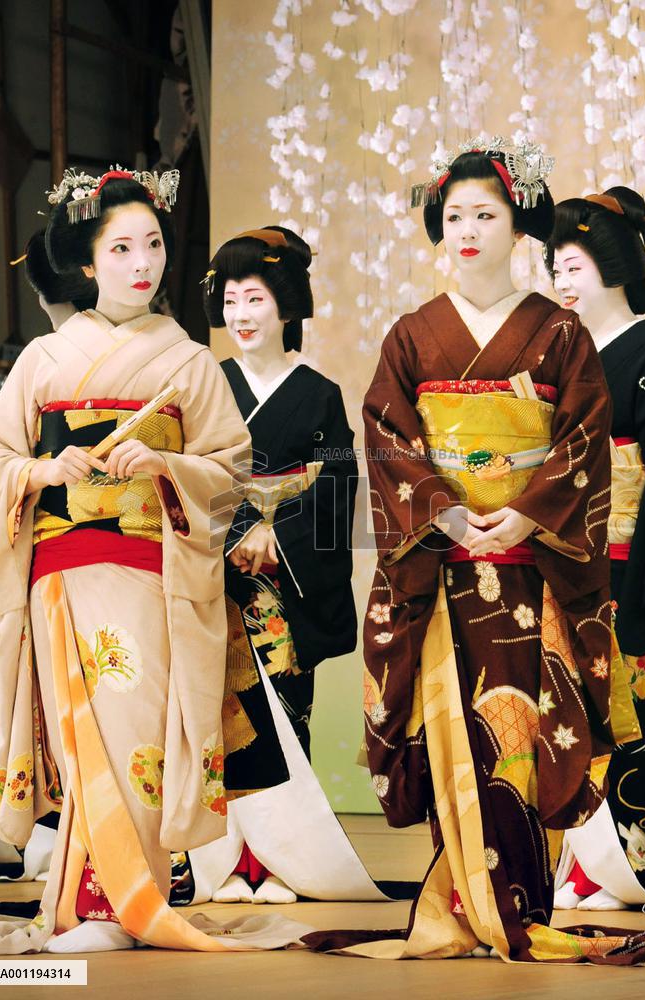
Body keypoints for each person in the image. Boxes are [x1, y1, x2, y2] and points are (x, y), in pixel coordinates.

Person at [303, 136, 645, 964]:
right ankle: (462, 898)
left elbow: (587, 442)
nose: (467, 229)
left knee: (526, 734)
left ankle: (520, 898)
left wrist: (528, 513)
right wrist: (447, 514)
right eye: (453, 216)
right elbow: (384, 437)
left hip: (535, 572)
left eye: (486, 214)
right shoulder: (412, 336)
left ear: (517, 225)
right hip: (447, 565)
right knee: (456, 730)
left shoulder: (560, 337)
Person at [0, 168, 305, 954]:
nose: (142, 262)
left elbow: (230, 467)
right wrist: (48, 471)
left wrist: (165, 469)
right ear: (88, 265)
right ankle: (86, 907)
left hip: (152, 571)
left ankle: (126, 901)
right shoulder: (46, 359)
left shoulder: (186, 362)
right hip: (63, 569)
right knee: (85, 732)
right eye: (120, 248)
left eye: (152, 244)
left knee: (135, 730)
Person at [181, 227, 402, 906]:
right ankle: (217, 861)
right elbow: (186, 476)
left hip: (285, 589)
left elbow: (338, 486)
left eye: (256, 298)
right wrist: (234, 534)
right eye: (232, 299)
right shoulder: (205, 384)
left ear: (286, 306)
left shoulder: (318, 393)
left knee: (283, 713)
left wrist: (278, 539)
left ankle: (277, 861)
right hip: (214, 583)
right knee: (213, 718)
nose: (242, 314)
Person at [545, 189, 645, 919]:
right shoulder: (554, 355)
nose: (563, 279)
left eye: (575, 263)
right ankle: (569, 867)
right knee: (558, 707)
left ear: (612, 266)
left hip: (625, 559)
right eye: (556, 265)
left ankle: (622, 866)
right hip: (558, 555)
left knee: (627, 710)